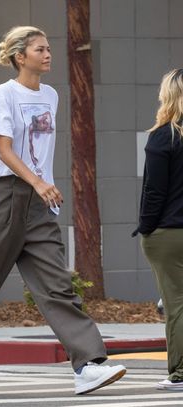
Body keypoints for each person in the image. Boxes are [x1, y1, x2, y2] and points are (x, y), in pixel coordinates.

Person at [0, 25, 126, 396]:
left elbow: (39, 151)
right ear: (21, 56)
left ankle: (88, 365)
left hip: (39, 201)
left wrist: (42, 186)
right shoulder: (6, 93)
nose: (48, 54)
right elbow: (4, 149)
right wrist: (37, 182)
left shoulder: (50, 95)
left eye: (49, 48)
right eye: (40, 49)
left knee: (57, 284)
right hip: (4, 195)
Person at [133, 68, 183, 391]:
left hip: (168, 233)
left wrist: (145, 229)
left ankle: (180, 373)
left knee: (176, 302)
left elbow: (154, 192)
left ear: (168, 96)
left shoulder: (162, 137)